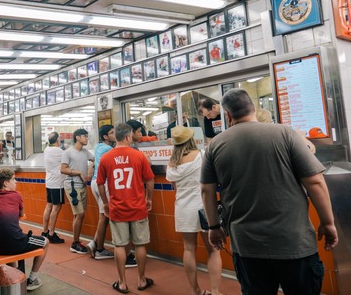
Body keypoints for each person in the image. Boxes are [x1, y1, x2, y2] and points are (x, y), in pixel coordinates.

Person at [201, 88, 338, 294]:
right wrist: (327, 223)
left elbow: (206, 190)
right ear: (254, 109)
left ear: (228, 116)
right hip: (294, 244)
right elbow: (315, 182)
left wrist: (213, 227)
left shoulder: (215, 145)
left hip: (247, 247)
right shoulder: (285, 133)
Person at [97, 123, 155, 293]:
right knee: (140, 245)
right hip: (138, 207)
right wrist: (148, 198)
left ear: (116, 137)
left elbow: (100, 183)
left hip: (117, 208)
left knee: (120, 246)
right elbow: (150, 180)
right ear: (129, 137)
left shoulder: (106, 158)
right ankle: (142, 280)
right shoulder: (138, 156)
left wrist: (106, 203)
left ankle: (122, 283)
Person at [166, 126, 222, 295]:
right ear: (191, 139)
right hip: (204, 208)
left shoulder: (172, 163)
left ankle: (195, 290)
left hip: (183, 208)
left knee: (189, 249)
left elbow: (175, 186)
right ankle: (215, 291)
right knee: (213, 249)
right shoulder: (202, 156)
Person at [0, 168, 49, 291]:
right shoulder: (16, 195)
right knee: (45, 242)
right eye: (13, 179)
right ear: (6, 183)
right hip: (17, 243)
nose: (16, 181)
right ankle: (32, 279)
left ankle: (13, 279)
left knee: (9, 247)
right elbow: (21, 213)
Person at [60, 128, 94, 254]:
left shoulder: (86, 152)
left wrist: (90, 167)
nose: (87, 138)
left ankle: (76, 241)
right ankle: (75, 243)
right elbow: (62, 169)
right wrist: (79, 172)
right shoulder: (68, 152)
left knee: (78, 214)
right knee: (80, 214)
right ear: (78, 137)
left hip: (82, 186)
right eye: (85, 136)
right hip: (72, 186)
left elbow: (95, 160)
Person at [87, 125, 115, 260]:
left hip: (95, 183)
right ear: (105, 136)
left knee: (103, 216)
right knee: (104, 217)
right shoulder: (109, 149)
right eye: (112, 133)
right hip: (103, 184)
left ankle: (95, 242)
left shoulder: (98, 147)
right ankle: (99, 249)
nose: (114, 134)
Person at [42, 131, 66, 244]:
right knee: (56, 208)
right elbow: (68, 160)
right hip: (57, 184)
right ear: (57, 140)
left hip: (49, 182)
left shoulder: (46, 150)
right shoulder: (59, 151)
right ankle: (51, 233)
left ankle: (45, 231)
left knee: (49, 206)